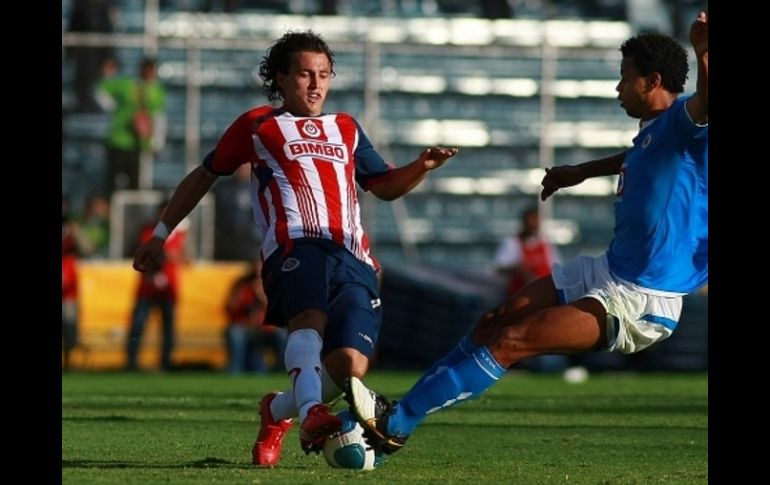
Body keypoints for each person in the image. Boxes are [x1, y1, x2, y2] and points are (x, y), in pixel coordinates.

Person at [346, 12, 708, 455]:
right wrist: (580, 171)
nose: (617, 88)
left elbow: (704, 106)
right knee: (493, 321)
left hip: (643, 297)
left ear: (652, 81)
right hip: (608, 269)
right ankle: (392, 419)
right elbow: (638, 157)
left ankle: (395, 424)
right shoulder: (653, 134)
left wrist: (703, 51)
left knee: (511, 342)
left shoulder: (684, 121)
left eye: (624, 78)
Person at [131, 30, 458, 466]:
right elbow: (204, 175)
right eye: (305, 74)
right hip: (295, 247)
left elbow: (384, 187)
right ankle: (311, 413)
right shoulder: (259, 126)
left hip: (353, 257)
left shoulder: (346, 128)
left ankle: (278, 410)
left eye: (324, 74)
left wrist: (421, 166)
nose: (316, 84)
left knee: (348, 368)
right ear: (281, 78)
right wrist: (160, 233)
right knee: (308, 321)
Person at [126, 201, 188, 371]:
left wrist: (169, 254)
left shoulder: (180, 233)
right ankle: (131, 362)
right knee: (138, 325)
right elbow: (154, 252)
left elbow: (184, 256)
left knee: (168, 329)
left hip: (169, 288)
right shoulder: (149, 231)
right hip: (148, 286)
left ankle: (166, 363)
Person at [97, 57, 166, 196]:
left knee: (134, 184)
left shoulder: (157, 91)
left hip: (138, 144)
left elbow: (158, 117)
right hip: (118, 139)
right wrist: (112, 107)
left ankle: (132, 214)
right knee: (112, 182)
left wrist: (157, 142)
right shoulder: (126, 85)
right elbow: (101, 91)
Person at [224, 260, 287, 373]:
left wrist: (264, 299)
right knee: (235, 333)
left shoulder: (274, 284)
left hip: (267, 329)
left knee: (282, 334)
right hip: (246, 327)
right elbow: (230, 308)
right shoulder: (242, 284)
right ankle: (235, 369)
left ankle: (282, 369)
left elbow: (280, 312)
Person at [493, 206, 559, 297]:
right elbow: (500, 267)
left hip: (543, 295)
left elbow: (556, 268)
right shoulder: (512, 243)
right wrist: (519, 270)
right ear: (523, 222)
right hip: (517, 295)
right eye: (530, 221)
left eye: (536, 221)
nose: (533, 224)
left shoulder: (546, 244)